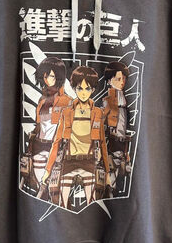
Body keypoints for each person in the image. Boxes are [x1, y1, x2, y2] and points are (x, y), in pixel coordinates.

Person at [41, 66, 110, 209]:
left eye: (87, 88)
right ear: (74, 88)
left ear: (93, 89)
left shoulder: (97, 113)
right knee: (62, 204)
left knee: (92, 205)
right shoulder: (66, 113)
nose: (83, 93)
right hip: (69, 161)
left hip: (89, 162)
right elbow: (57, 142)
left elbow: (103, 143)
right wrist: (47, 170)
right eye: (80, 88)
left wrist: (108, 172)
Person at [21, 57, 72, 193]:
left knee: (53, 189)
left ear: (59, 77)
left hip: (56, 149)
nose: (47, 79)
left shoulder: (67, 101)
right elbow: (38, 125)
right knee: (38, 184)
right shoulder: (42, 100)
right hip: (39, 146)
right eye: (45, 76)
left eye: (51, 76)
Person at [102, 61, 131, 196]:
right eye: (118, 79)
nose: (122, 82)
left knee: (119, 165)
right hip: (112, 141)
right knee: (112, 166)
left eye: (124, 79)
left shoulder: (123, 101)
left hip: (121, 141)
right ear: (109, 81)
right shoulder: (109, 100)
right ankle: (110, 189)